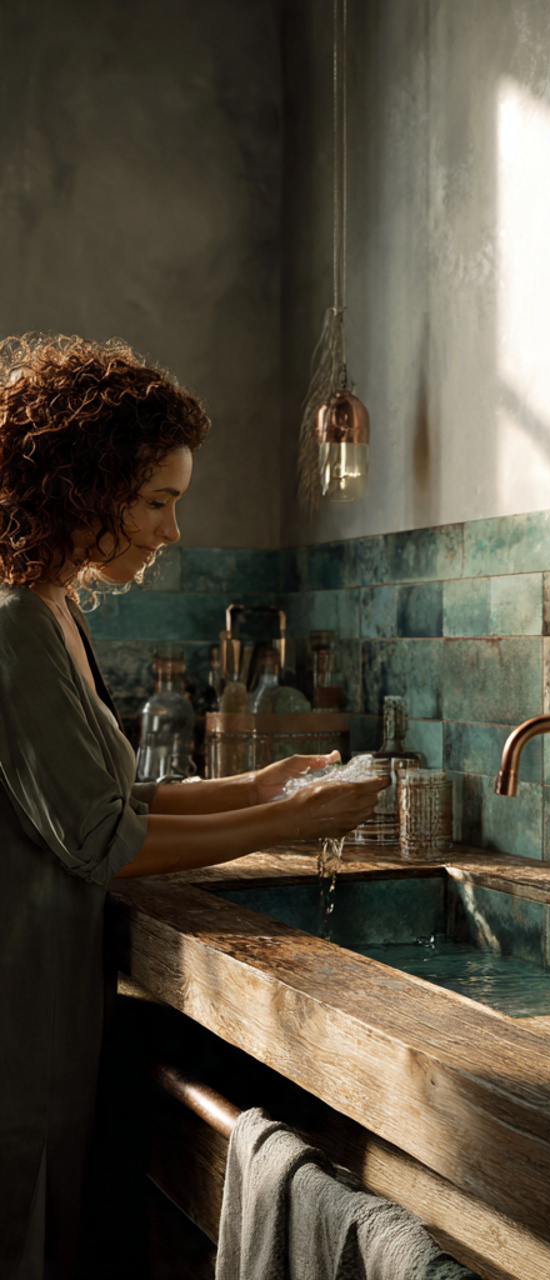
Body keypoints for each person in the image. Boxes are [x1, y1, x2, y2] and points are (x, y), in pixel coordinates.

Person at [0, 335, 386, 1279]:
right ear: (80, 491)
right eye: (157, 502)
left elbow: (113, 796)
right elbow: (102, 839)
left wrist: (258, 785)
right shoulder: (15, 620)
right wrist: (289, 825)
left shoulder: (50, 606)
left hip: (49, 1002)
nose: (172, 531)